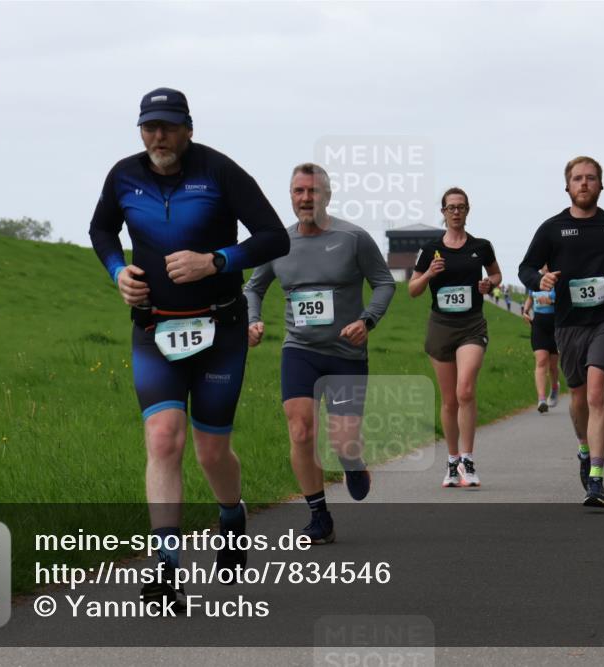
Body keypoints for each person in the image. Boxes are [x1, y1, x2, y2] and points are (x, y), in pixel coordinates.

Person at [89, 87, 289, 605]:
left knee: (211, 449)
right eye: (149, 126)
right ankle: (167, 566)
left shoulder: (220, 172)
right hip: (154, 327)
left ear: (188, 128)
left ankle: (230, 514)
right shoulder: (123, 175)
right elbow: (101, 229)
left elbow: (273, 237)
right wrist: (118, 272)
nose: (158, 136)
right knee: (163, 438)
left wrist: (216, 260)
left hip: (220, 330)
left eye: (168, 126)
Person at [244, 163, 395, 544]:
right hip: (300, 350)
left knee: (343, 442)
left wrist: (367, 321)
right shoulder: (277, 242)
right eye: (299, 191)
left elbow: (383, 283)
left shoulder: (353, 238)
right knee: (299, 428)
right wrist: (253, 319)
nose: (306, 198)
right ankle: (319, 516)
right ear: (291, 196)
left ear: (327, 195)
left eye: (313, 191)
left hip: (346, 354)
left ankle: (352, 463)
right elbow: (253, 288)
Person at [518, 156, 604, 508]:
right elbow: (525, 266)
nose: (584, 183)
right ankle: (584, 450)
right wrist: (538, 279)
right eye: (577, 178)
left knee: (595, 395)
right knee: (577, 399)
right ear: (568, 186)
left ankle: (597, 480)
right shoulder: (552, 228)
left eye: (590, 178)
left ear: (601, 185)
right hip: (568, 323)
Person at [409, 187, 501, 488]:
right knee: (449, 400)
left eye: (461, 207)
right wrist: (429, 274)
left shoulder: (481, 246)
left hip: (472, 325)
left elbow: (497, 275)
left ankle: (468, 458)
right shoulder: (431, 249)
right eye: (451, 207)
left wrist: (489, 284)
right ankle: (451, 461)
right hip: (441, 326)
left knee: (465, 391)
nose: (456, 212)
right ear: (443, 212)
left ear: (468, 210)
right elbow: (413, 290)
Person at [522, 277, 560, 413]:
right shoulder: (536, 279)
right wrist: (525, 311)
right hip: (538, 325)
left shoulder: (558, 279)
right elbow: (530, 298)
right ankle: (541, 399)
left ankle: (555, 388)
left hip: (556, 325)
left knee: (553, 365)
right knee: (541, 360)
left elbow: (566, 301)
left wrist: (552, 301)